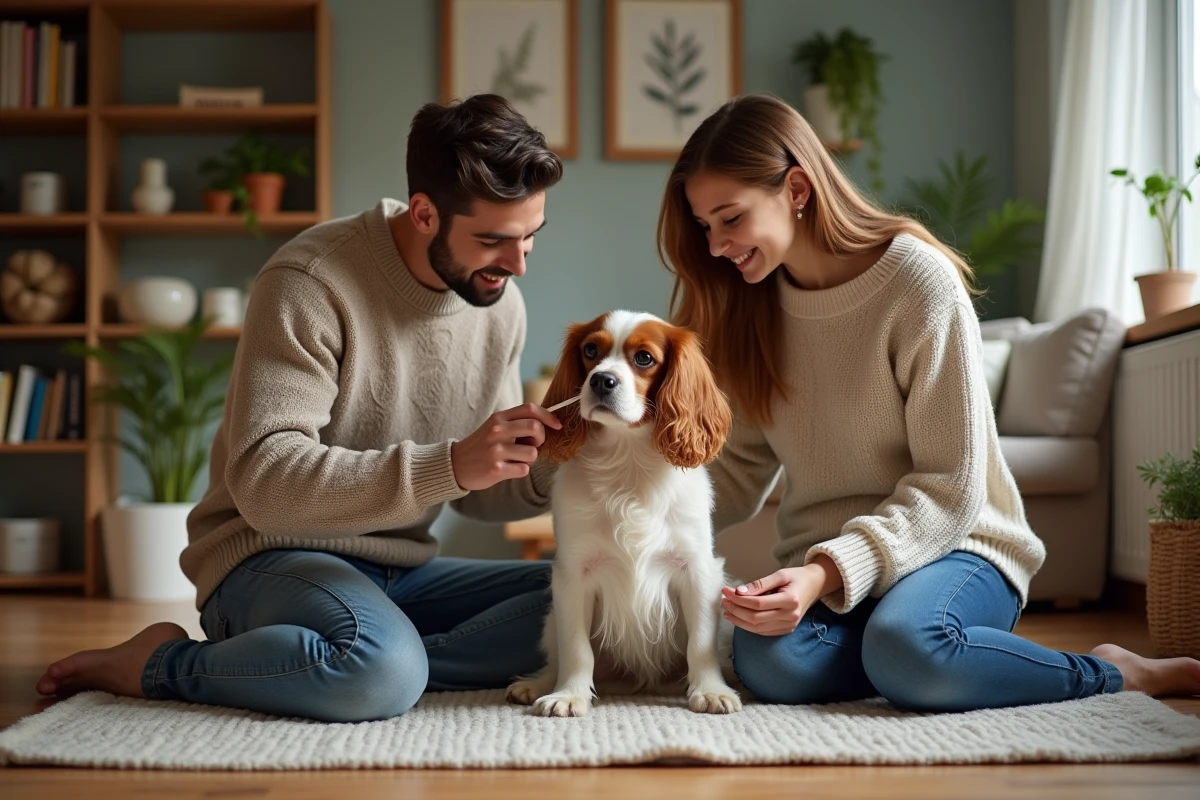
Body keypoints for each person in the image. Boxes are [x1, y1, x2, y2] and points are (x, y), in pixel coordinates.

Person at [657, 93, 1200, 711]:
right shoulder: (747, 311)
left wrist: (824, 572)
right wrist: (637, 513)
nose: (714, 245)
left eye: (730, 218)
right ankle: (914, 660)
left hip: (958, 546)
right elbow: (734, 468)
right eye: (704, 226)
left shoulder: (915, 280)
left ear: (798, 189)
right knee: (769, 663)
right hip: (836, 578)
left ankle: (1110, 673)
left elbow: (951, 486)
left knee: (908, 648)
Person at [36, 94, 568, 722]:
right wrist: (448, 464)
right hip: (267, 555)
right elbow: (265, 483)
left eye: (531, 237)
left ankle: (350, 660)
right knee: (383, 668)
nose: (518, 264)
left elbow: (483, 492)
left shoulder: (499, 305)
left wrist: (553, 456)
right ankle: (163, 664)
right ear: (424, 213)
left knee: (599, 603)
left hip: (399, 574)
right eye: (494, 240)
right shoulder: (311, 281)